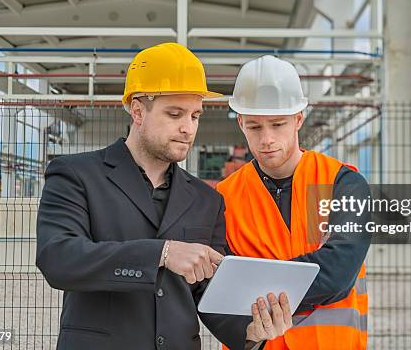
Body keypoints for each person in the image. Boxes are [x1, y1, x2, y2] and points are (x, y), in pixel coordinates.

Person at [36, 44, 292, 350]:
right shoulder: (77, 175)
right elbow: (59, 258)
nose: (188, 128)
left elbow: (207, 292)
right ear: (138, 111)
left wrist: (251, 331)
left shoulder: (206, 200)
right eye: (175, 114)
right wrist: (162, 253)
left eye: (195, 116)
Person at [217, 55, 372, 350]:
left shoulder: (344, 185)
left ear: (298, 118)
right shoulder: (225, 198)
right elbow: (218, 287)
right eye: (255, 127)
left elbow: (338, 273)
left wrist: (252, 283)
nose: (267, 139)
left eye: (277, 124)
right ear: (240, 122)